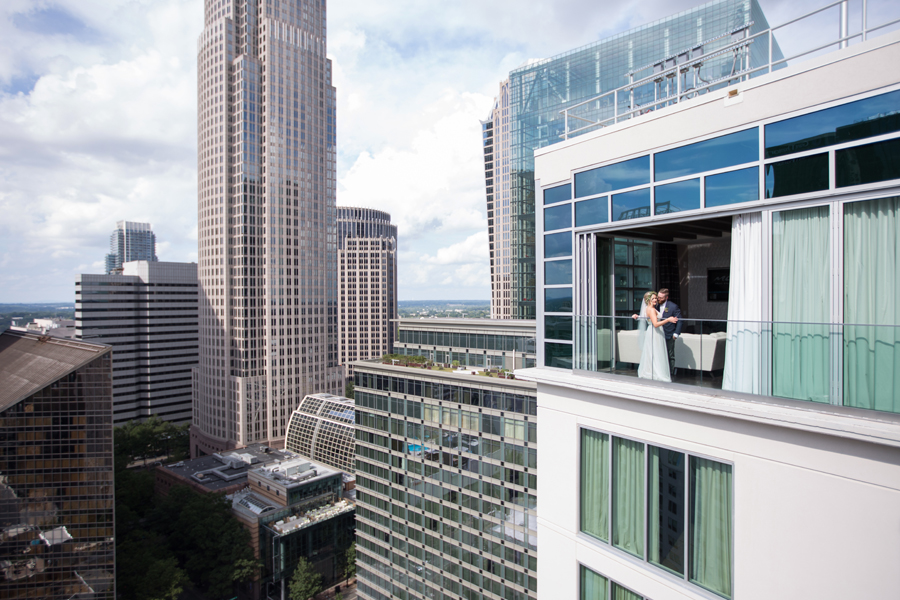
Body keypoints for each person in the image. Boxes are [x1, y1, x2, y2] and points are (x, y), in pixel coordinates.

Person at [633, 291, 678, 382]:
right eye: (653, 298)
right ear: (648, 300)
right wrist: (668, 319)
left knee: (653, 352)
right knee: (657, 352)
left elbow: (647, 318)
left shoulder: (649, 308)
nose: (655, 300)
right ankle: (657, 372)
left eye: (655, 298)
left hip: (653, 332)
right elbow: (656, 324)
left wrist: (638, 317)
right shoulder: (652, 309)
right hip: (655, 332)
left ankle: (651, 371)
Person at [656, 288, 683, 378]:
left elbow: (680, 321)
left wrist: (676, 333)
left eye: (661, 298)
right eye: (658, 297)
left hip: (669, 334)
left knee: (670, 354)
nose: (658, 299)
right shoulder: (655, 305)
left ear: (666, 297)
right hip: (658, 333)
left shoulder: (673, 306)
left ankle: (670, 373)